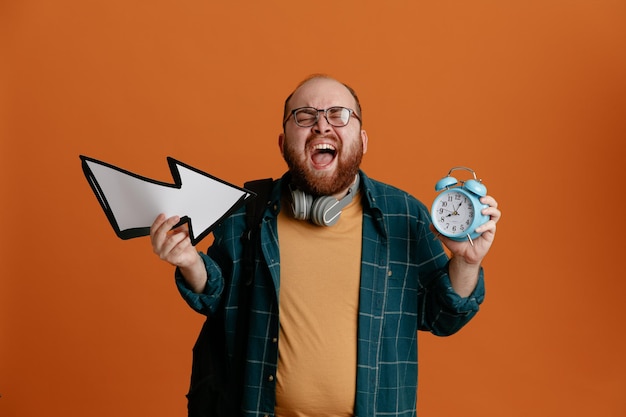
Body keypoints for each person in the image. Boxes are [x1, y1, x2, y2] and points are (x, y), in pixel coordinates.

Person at [150, 74, 501, 417]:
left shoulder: (404, 214)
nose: (322, 126)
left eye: (338, 114)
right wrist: (190, 263)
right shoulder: (247, 213)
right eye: (305, 116)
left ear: (362, 140)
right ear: (283, 143)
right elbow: (218, 296)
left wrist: (466, 264)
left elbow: (441, 317)